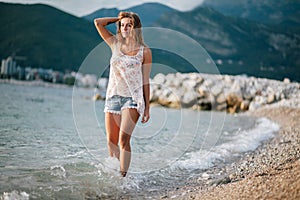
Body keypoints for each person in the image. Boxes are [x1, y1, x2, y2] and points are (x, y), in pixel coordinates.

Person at [94, 12, 152, 177]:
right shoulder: (115, 44)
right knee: (111, 142)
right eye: (123, 25)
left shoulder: (144, 51)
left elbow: (145, 81)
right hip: (112, 97)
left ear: (136, 28)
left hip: (132, 99)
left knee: (123, 140)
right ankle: (113, 178)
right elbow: (98, 23)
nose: (125, 28)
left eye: (129, 25)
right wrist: (118, 19)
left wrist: (147, 108)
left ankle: (122, 179)